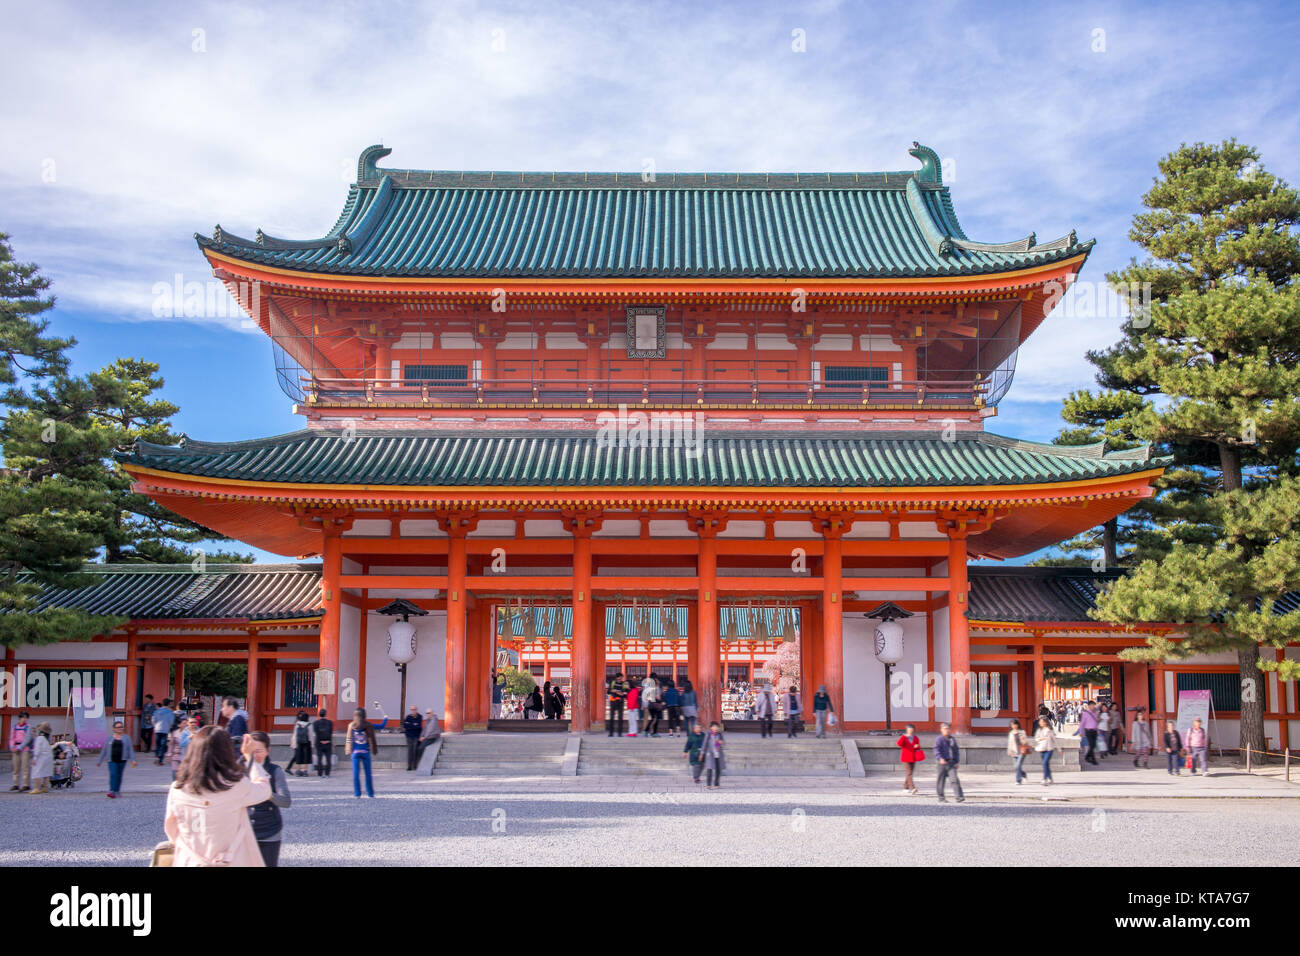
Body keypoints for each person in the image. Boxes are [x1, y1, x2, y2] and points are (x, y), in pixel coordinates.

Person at [165, 726, 271, 867]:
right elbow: (264, 789)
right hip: (229, 860)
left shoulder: (177, 788)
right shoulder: (236, 786)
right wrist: (249, 757)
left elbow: (171, 827)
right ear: (226, 752)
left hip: (190, 860)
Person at [245, 731, 291, 867]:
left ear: (268, 750)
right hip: (246, 829)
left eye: (258, 751)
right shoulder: (241, 770)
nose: (254, 755)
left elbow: (285, 801)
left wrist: (267, 793)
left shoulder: (275, 771)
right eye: (251, 751)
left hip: (269, 829)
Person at [97, 720, 136, 798]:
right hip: (111, 760)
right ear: (114, 729)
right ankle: (112, 790)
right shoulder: (109, 738)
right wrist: (100, 760)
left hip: (122, 760)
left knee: (119, 776)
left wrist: (132, 760)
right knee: (113, 774)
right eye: (118, 727)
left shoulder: (126, 738)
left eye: (121, 727)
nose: (120, 728)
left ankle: (117, 791)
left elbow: (130, 749)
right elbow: (104, 749)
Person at [346, 708, 380, 798]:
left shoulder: (351, 725)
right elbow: (372, 739)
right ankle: (370, 793)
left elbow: (349, 739)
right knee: (368, 774)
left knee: (356, 774)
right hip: (365, 751)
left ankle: (357, 793)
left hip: (355, 752)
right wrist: (374, 750)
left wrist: (348, 750)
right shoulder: (368, 725)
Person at [934, 722, 964, 803]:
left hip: (951, 762)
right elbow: (936, 750)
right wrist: (940, 758)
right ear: (941, 730)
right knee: (941, 780)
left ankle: (959, 796)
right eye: (945, 729)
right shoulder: (939, 739)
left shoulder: (952, 739)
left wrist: (957, 761)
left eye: (948, 729)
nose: (947, 730)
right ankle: (941, 797)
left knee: (954, 779)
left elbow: (956, 751)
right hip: (942, 763)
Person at [896, 722, 924, 794]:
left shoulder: (915, 738)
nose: (911, 731)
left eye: (912, 729)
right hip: (906, 758)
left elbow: (918, 747)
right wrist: (903, 736)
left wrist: (916, 747)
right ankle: (912, 788)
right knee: (909, 773)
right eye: (909, 729)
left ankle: (905, 787)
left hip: (913, 757)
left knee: (910, 773)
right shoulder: (904, 737)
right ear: (907, 730)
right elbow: (899, 744)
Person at [8, 710, 32, 792]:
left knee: (25, 767)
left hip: (24, 749)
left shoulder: (28, 727)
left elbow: (27, 739)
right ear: (20, 718)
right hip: (15, 748)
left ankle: (26, 784)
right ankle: (16, 784)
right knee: (15, 767)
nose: (24, 719)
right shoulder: (14, 727)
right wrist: (12, 746)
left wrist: (20, 747)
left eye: (26, 718)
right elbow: (12, 738)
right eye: (23, 717)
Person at [28, 723, 53, 794]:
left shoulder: (40, 738)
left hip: (41, 757)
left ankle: (36, 788)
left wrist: (35, 758)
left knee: (37, 772)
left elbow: (37, 749)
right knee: (46, 773)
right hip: (48, 757)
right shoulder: (47, 738)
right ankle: (45, 787)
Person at [287, 711, 313, 777]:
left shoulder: (297, 724)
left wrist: (294, 743)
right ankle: (304, 771)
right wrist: (312, 744)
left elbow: (295, 735)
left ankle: (298, 771)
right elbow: (311, 735)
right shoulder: (309, 725)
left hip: (298, 742)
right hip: (307, 743)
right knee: (306, 757)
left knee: (298, 756)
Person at [1007, 718, 1031, 785]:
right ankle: (1023, 774)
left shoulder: (1022, 732)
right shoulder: (1011, 733)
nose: (1014, 726)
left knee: (1018, 765)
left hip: (1021, 751)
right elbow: (1010, 743)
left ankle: (1018, 780)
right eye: (1012, 725)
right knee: (1016, 766)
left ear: (1017, 725)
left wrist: (1023, 739)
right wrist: (1009, 751)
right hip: (1014, 751)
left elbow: (1025, 742)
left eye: (1015, 724)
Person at [701, 721, 725, 788]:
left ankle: (716, 783)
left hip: (718, 754)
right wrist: (702, 752)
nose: (715, 728)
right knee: (709, 769)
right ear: (711, 727)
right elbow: (705, 743)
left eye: (716, 727)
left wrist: (720, 743)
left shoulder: (719, 734)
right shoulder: (708, 734)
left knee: (718, 769)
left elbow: (723, 743)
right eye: (714, 726)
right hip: (710, 754)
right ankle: (708, 784)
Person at [152, 698, 176, 764]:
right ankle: (160, 759)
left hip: (157, 729)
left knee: (158, 744)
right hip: (165, 730)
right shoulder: (170, 712)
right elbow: (171, 722)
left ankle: (156, 755)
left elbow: (153, 720)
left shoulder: (157, 711)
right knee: (163, 745)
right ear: (169, 704)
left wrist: (155, 726)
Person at [311, 709, 334, 777]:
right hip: (328, 742)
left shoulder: (315, 723)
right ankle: (327, 773)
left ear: (319, 714)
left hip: (319, 742)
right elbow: (330, 732)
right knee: (328, 759)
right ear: (325, 714)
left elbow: (315, 732)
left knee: (319, 759)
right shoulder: (330, 722)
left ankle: (320, 773)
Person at [1034, 716, 1056, 786]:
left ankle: (1044, 778)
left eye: (1042, 722)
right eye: (1040, 722)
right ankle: (1050, 778)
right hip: (1042, 748)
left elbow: (1054, 740)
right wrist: (1042, 738)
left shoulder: (1050, 730)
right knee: (1046, 764)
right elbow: (1036, 739)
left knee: (1044, 763)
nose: (1041, 723)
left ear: (1046, 722)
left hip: (1049, 749)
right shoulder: (1039, 730)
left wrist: (1059, 749)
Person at [402, 706, 423, 771]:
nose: (413, 711)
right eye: (411, 709)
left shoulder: (420, 716)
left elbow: (419, 726)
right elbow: (405, 725)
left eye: (414, 709)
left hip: (417, 736)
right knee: (410, 751)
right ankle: (409, 766)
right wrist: (414, 725)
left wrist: (410, 725)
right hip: (409, 736)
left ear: (416, 710)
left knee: (415, 751)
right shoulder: (408, 717)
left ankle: (415, 765)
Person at [1078, 701, 1100, 766]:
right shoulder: (1085, 713)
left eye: (1094, 705)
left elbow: (1096, 723)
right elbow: (1082, 723)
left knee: (1093, 745)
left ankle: (1087, 756)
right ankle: (1093, 760)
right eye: (1092, 705)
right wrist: (1081, 732)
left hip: (1095, 731)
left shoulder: (1095, 713)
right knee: (1092, 744)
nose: (1093, 707)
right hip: (1088, 731)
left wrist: (1098, 730)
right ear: (1089, 706)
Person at [607, 673, 628, 737]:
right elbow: (608, 692)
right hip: (613, 701)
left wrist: (622, 693)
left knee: (620, 718)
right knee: (611, 717)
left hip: (620, 702)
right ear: (617, 677)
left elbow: (625, 693)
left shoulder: (623, 684)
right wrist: (614, 691)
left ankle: (620, 733)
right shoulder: (612, 683)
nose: (621, 679)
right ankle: (611, 733)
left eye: (621, 677)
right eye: (620, 677)